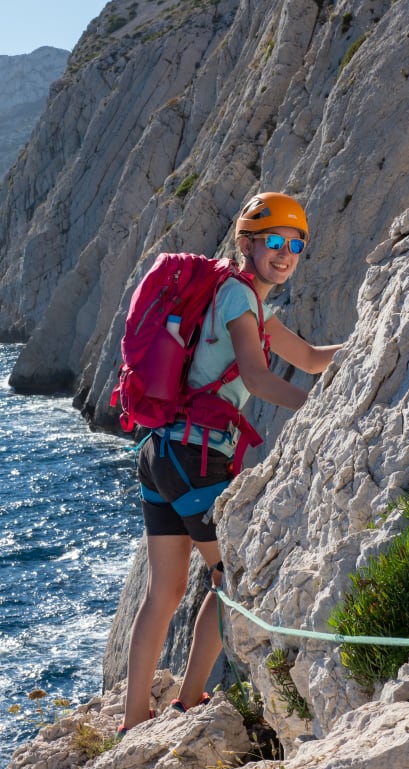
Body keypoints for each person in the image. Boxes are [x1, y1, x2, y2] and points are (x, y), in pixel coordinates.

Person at [118, 192, 342, 736]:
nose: (285, 254)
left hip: (161, 452)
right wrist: (323, 410)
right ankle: (189, 702)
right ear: (247, 244)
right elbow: (259, 377)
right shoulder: (240, 299)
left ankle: (133, 718)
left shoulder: (244, 302)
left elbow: (310, 358)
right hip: (196, 457)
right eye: (274, 242)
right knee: (230, 581)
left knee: (165, 592)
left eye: (295, 245)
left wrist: (373, 342)